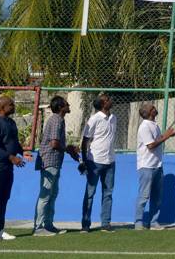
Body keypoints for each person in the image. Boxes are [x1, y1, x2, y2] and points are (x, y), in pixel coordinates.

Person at [0, 96, 32, 242]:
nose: (14, 106)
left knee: (3, 198)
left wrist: (22, 152)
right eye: (11, 104)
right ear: (2, 108)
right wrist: (11, 157)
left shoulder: (11, 122)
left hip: (7, 167)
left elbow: (13, 142)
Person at [33, 96, 80, 237]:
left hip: (54, 161)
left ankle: (48, 224)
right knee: (46, 194)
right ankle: (39, 227)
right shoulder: (56, 120)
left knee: (52, 194)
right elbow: (54, 143)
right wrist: (68, 149)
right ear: (60, 107)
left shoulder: (59, 120)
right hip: (50, 161)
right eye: (66, 104)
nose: (69, 105)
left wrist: (68, 149)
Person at [134, 103, 175, 230]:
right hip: (146, 166)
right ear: (148, 112)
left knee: (157, 197)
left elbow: (158, 140)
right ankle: (138, 222)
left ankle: (153, 222)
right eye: (152, 108)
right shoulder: (144, 127)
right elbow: (151, 145)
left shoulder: (154, 125)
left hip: (157, 165)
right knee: (144, 196)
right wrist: (166, 136)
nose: (155, 108)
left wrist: (166, 135)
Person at [81, 94, 118, 233]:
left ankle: (106, 223)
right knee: (90, 193)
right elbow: (85, 141)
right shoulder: (94, 119)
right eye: (108, 99)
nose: (110, 100)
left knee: (108, 193)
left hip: (110, 161)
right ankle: (85, 224)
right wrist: (84, 160)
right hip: (95, 161)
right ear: (103, 104)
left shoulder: (114, 118)